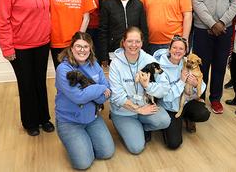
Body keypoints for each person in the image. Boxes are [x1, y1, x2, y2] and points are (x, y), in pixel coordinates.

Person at [0, 0, 54, 136]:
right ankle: (30, 122)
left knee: (40, 82)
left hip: (42, 44)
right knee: (26, 84)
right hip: (20, 47)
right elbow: (3, 20)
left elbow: (48, 12)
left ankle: (43, 118)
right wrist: (7, 48)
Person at [55, 31, 115, 169]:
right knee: (83, 163)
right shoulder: (63, 69)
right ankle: (72, 141)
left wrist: (97, 92)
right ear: (71, 48)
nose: (82, 50)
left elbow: (107, 92)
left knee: (107, 152)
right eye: (78, 46)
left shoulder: (95, 64)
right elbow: (78, 97)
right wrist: (99, 88)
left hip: (92, 118)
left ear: (90, 49)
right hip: (70, 121)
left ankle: (84, 141)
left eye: (86, 46)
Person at [109, 26, 171, 154]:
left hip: (145, 107)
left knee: (165, 121)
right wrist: (138, 109)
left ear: (142, 43)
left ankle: (143, 127)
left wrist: (148, 86)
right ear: (124, 42)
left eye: (137, 41)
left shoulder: (150, 60)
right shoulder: (115, 64)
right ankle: (123, 125)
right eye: (130, 41)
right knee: (136, 148)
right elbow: (117, 96)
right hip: (124, 112)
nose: (134, 45)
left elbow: (165, 88)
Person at [153, 35, 210, 149]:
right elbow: (166, 97)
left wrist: (194, 84)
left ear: (185, 52)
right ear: (169, 49)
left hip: (185, 102)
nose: (177, 51)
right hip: (170, 106)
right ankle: (166, 125)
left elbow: (201, 84)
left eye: (181, 49)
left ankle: (187, 118)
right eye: (174, 47)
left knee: (204, 113)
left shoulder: (187, 62)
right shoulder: (159, 68)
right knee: (174, 144)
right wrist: (181, 81)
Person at [48, 0, 96, 70]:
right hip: (57, 41)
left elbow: (86, 18)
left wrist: (78, 40)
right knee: (61, 74)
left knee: (77, 75)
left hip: (75, 43)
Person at [99, 0, 148, 67]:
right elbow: (103, 32)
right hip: (114, 50)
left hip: (135, 49)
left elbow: (144, 30)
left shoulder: (138, 4)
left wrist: (144, 51)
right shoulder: (108, 4)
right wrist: (104, 56)